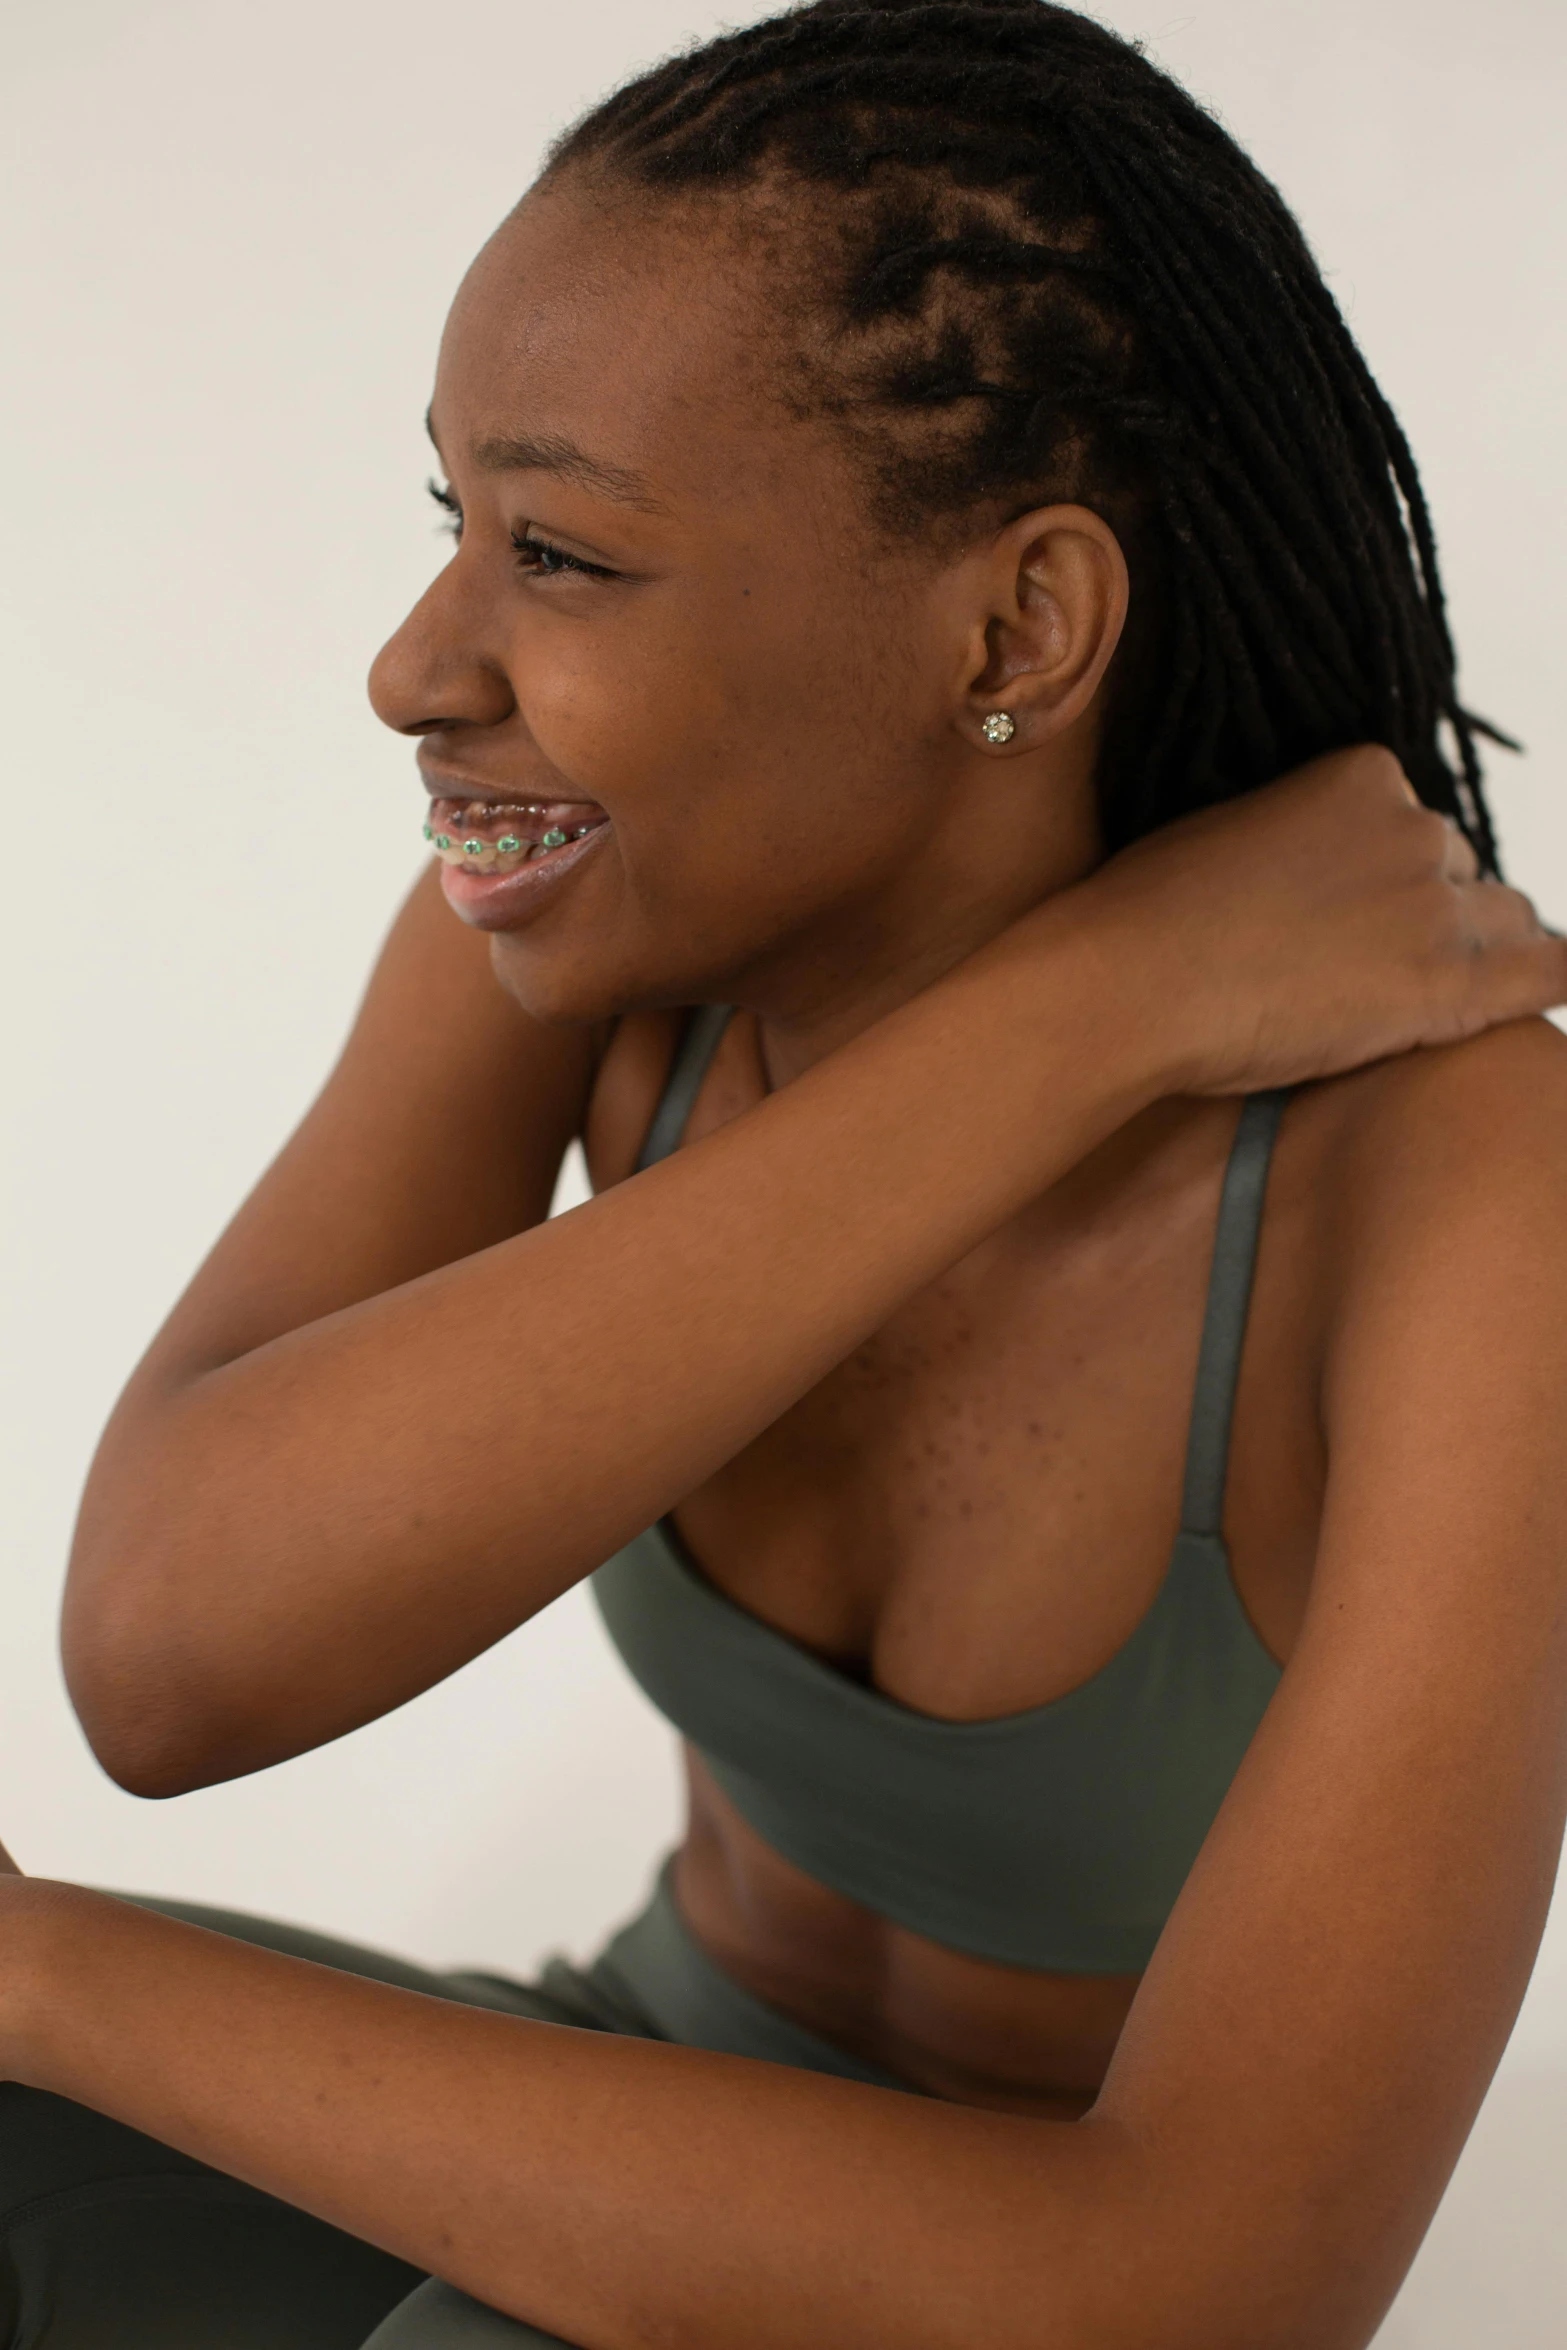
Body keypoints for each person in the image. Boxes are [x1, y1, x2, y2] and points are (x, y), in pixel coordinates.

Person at [4, 2, 1566, 2343]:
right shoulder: (595, 938)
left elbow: (1205, 2285)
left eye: (561, 555)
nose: (416, 665)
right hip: (614, 2072)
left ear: (1015, 625)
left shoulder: (1466, 1185)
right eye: (453, 523)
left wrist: (29, 1970)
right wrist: (1090, 1013)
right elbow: (168, 1659)